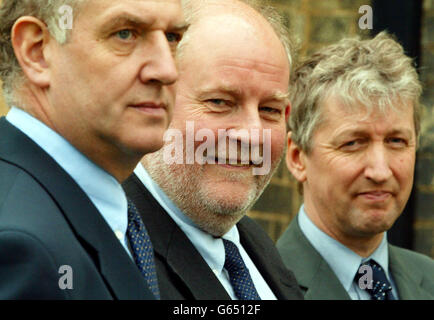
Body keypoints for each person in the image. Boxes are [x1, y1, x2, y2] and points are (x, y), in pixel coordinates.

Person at [0, 0, 186, 299]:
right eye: (126, 34)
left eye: (172, 37)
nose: (166, 70)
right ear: (37, 52)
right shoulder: (24, 249)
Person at [123, 0, 303, 300]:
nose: (251, 135)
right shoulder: (116, 255)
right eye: (220, 102)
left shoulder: (256, 247)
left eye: (269, 109)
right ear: (156, 100)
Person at [276, 32, 434, 300]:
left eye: (396, 141)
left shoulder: (429, 279)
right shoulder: (260, 287)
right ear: (297, 158)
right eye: (353, 143)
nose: (380, 171)